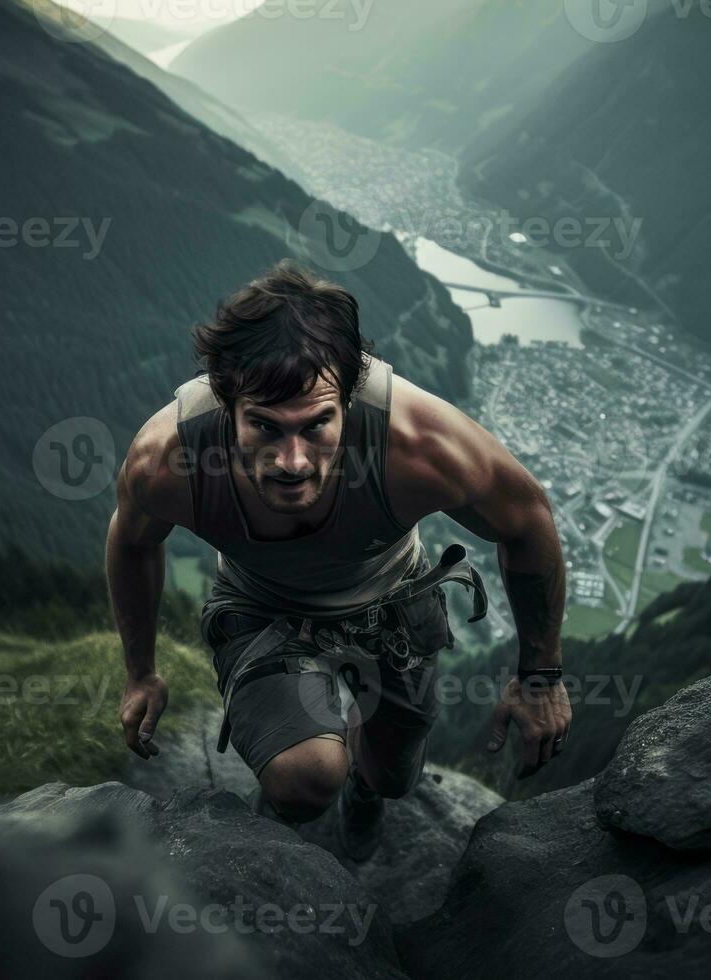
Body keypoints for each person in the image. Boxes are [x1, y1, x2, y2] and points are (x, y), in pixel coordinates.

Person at [106, 259, 570, 861]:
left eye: (317, 424)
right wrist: (140, 671)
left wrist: (540, 678)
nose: (292, 460)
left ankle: (365, 784)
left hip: (392, 604)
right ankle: (292, 798)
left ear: (348, 400)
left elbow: (528, 520)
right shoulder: (169, 460)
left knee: (391, 774)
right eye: (265, 427)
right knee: (306, 779)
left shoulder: (420, 446)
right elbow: (133, 539)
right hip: (261, 606)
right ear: (226, 404)